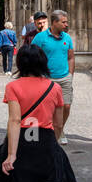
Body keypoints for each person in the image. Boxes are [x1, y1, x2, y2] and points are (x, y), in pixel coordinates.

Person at [0, 43, 75, 182]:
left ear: (20, 63)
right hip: (46, 145)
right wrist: (54, 145)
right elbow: (58, 124)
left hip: (22, 144)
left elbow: (14, 121)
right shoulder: (55, 88)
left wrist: (11, 155)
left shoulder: (13, 87)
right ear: (43, 62)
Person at [30, 10, 75, 143]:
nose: (66, 24)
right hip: (46, 78)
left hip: (65, 78)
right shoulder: (40, 38)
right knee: (47, 108)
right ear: (55, 22)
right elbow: (32, 57)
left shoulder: (67, 38)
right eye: (63, 22)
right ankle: (51, 132)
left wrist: (70, 75)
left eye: (66, 22)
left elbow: (71, 57)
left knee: (66, 106)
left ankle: (59, 130)